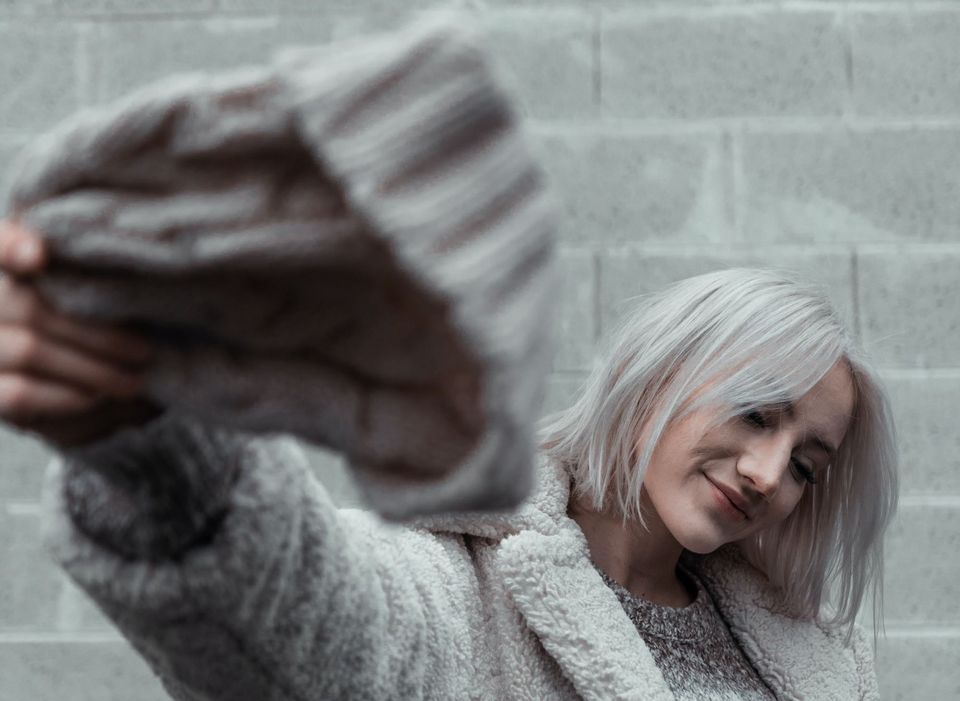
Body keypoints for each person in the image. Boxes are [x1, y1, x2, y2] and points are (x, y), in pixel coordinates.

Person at [0, 220, 897, 700]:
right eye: (754, 414)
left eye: (808, 463)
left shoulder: (808, 655)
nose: (769, 472)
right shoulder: (458, 589)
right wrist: (164, 439)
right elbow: (299, 626)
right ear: (660, 376)